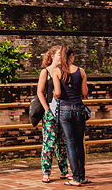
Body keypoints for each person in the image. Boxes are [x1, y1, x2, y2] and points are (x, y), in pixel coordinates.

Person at [51, 46, 90, 186]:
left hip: (65, 109)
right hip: (79, 108)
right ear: (72, 56)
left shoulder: (57, 71)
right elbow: (84, 92)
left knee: (70, 144)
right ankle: (82, 176)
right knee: (80, 144)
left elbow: (57, 93)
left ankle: (76, 178)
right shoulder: (81, 71)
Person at [37, 46, 70, 183]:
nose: (60, 57)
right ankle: (46, 172)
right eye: (58, 54)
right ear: (51, 56)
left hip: (63, 111)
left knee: (62, 144)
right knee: (49, 143)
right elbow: (40, 91)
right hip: (51, 111)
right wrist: (46, 109)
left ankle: (64, 171)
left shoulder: (64, 71)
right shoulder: (46, 72)